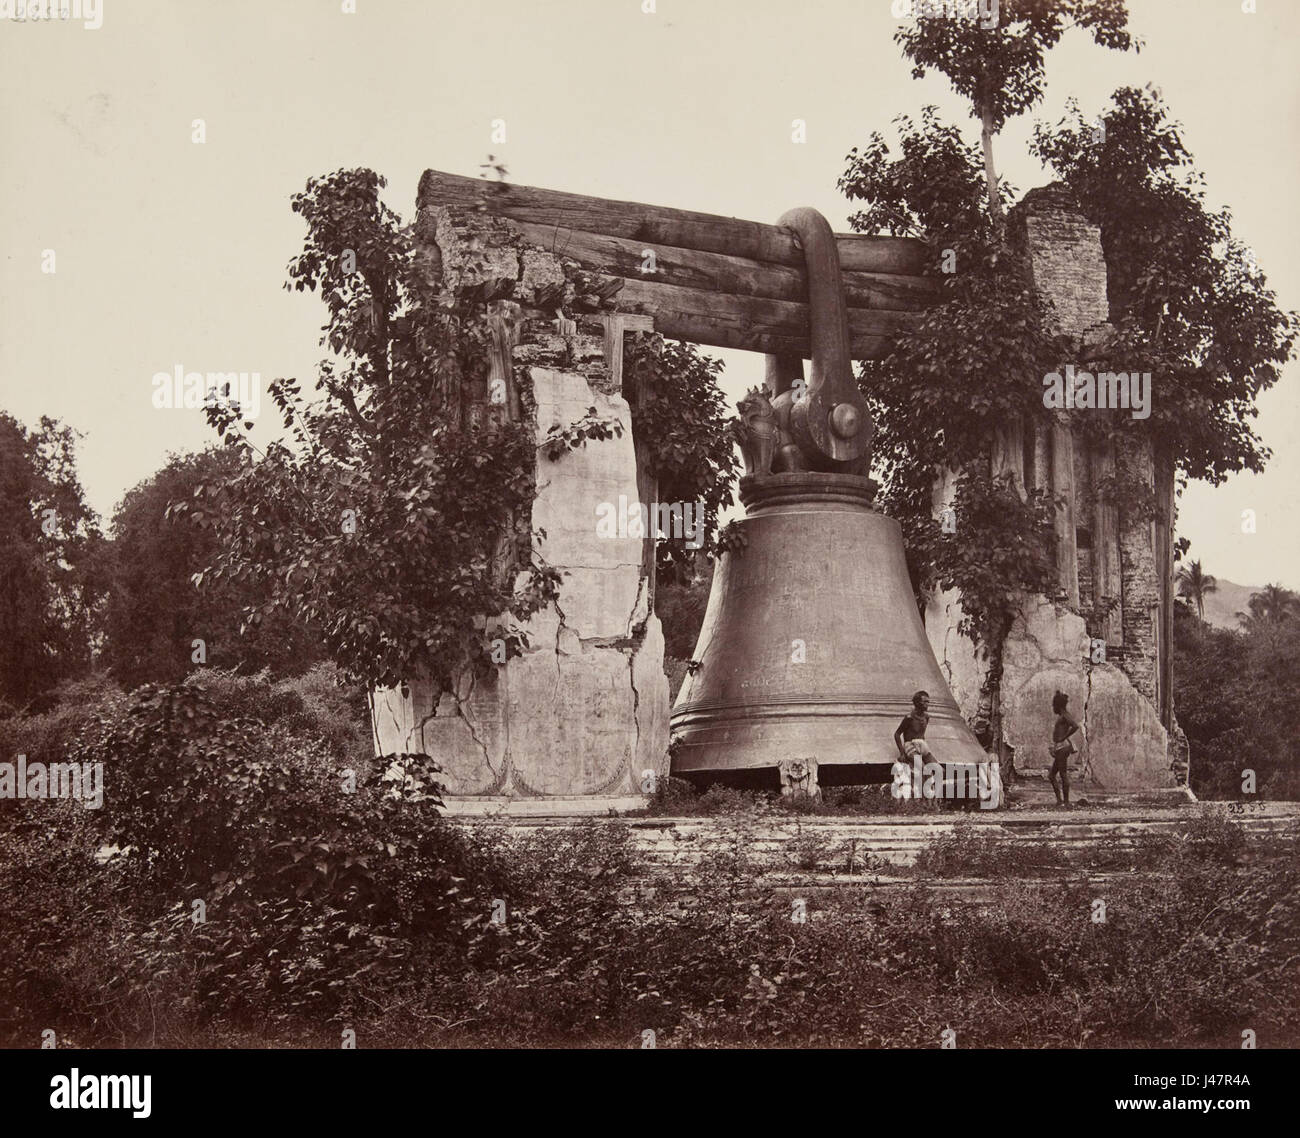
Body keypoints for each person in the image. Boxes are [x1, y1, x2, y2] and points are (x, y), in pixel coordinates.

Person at [894, 690, 932, 800]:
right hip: (909, 745)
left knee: (938, 769)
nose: (927, 704)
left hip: (921, 745)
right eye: (925, 702)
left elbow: (921, 734)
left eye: (928, 702)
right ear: (917, 703)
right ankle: (923, 800)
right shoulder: (909, 718)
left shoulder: (926, 717)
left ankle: (931, 800)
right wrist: (902, 753)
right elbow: (897, 734)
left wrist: (924, 750)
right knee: (925, 770)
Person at [1048, 690, 1080, 808]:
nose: (1052, 708)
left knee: (1063, 774)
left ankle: (1065, 802)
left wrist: (1064, 737)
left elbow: (1075, 726)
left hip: (1063, 747)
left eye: (1053, 705)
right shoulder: (1063, 715)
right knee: (1052, 776)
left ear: (1058, 705)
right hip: (1060, 747)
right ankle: (1060, 801)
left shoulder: (1065, 715)